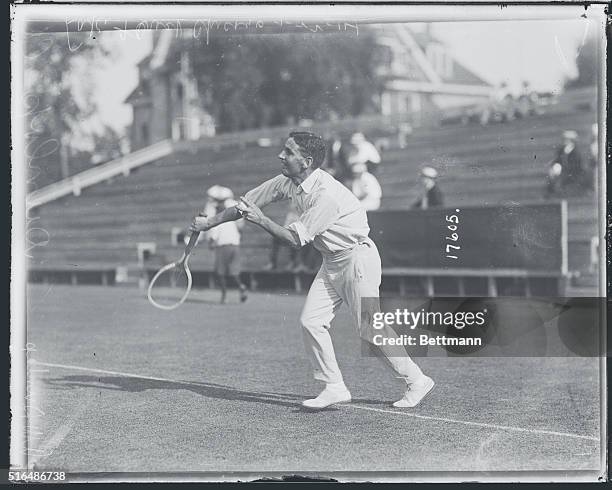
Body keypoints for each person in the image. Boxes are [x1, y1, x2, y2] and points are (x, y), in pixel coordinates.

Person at [190, 131, 433, 409]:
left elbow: (295, 240)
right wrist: (209, 223)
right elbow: (246, 205)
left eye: (288, 152)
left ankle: (417, 380)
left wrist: (262, 220)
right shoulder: (287, 181)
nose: (281, 155)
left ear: (305, 161)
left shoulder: (326, 195)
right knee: (311, 322)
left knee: (370, 329)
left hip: (357, 260)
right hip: (331, 261)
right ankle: (334, 386)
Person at [205, 189, 248, 304]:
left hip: (223, 248)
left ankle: (224, 296)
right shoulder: (231, 221)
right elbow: (239, 232)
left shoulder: (217, 222)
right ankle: (241, 287)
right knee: (234, 272)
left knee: (221, 273)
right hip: (235, 246)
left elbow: (213, 239)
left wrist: (210, 245)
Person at [545, 130, 586, 197]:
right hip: (562, 172)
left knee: (562, 179)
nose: (565, 141)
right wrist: (553, 167)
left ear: (572, 141)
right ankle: (551, 192)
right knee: (553, 174)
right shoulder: (561, 150)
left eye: (567, 139)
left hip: (572, 174)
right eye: (564, 139)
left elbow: (576, 166)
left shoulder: (576, 153)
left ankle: (557, 192)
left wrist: (563, 169)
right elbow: (556, 160)